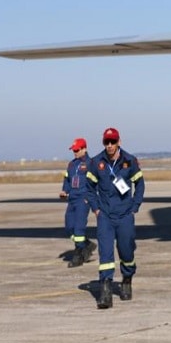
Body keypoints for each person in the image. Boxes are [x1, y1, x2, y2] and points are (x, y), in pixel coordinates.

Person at [85, 127, 145, 309]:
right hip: (105, 216)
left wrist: (135, 207)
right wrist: (96, 209)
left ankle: (127, 279)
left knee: (126, 252)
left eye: (113, 142)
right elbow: (89, 188)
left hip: (125, 215)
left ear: (119, 142)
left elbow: (140, 184)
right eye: (107, 142)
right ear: (104, 143)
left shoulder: (129, 161)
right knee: (105, 253)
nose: (110, 145)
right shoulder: (96, 162)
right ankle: (105, 292)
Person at [60, 137, 96, 267]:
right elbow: (67, 180)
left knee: (79, 229)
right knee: (69, 227)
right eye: (73, 150)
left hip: (83, 199)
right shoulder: (72, 164)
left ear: (84, 149)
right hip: (72, 199)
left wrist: (90, 197)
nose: (74, 152)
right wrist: (65, 190)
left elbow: (95, 182)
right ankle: (87, 245)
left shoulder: (91, 163)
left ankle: (79, 255)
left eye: (77, 149)